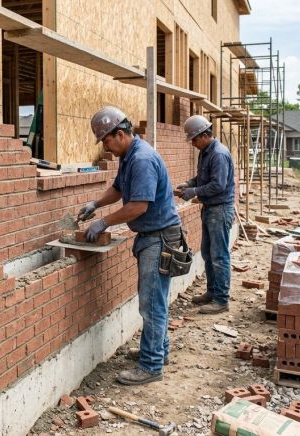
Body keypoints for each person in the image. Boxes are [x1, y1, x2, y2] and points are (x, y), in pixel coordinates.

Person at [79, 106, 181, 385]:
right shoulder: (129, 155)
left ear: (120, 134)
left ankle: (150, 366)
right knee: (156, 300)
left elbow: (138, 205)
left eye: (107, 142)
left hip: (159, 238)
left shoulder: (142, 159)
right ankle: (158, 352)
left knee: (151, 304)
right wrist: (95, 204)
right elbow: (119, 188)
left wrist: (104, 222)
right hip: (154, 236)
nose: (107, 148)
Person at [176, 115, 235, 315]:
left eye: (194, 139)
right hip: (210, 209)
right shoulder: (206, 152)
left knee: (219, 255)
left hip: (220, 209)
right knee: (208, 253)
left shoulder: (218, 154)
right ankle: (212, 292)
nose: (192, 143)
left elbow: (218, 185)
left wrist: (194, 192)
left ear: (204, 135)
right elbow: (203, 177)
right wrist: (190, 184)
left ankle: (221, 299)